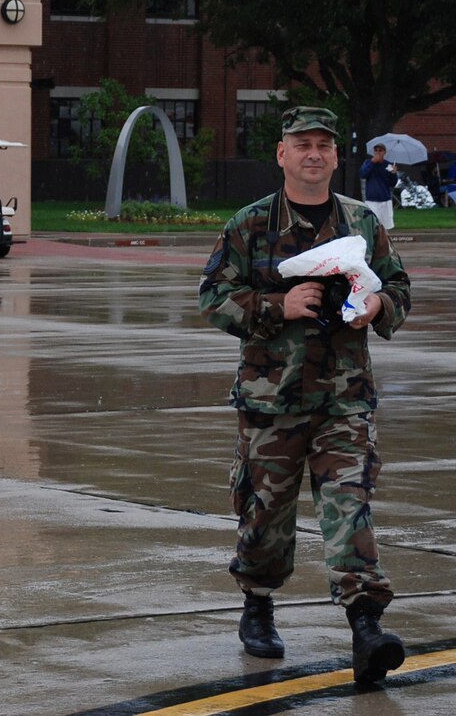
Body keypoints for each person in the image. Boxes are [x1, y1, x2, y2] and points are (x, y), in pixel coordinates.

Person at [199, 107, 412, 685]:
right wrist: (276, 306)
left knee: (350, 505)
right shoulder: (251, 224)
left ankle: (366, 626)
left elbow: (397, 284)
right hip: (272, 401)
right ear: (282, 154)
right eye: (303, 145)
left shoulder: (361, 222)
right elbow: (213, 294)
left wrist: (378, 306)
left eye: (324, 145)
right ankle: (258, 604)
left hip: (346, 399)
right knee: (265, 517)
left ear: (336, 157)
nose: (313, 154)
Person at [358, 144, 397, 229]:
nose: (378, 152)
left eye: (380, 150)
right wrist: (372, 162)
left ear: (384, 152)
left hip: (385, 199)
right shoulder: (368, 162)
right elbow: (362, 174)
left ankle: (384, 241)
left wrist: (394, 174)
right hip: (372, 200)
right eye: (376, 150)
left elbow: (392, 183)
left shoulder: (388, 165)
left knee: (385, 226)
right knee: (372, 225)